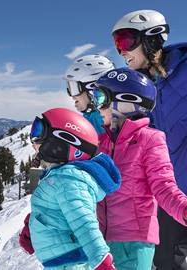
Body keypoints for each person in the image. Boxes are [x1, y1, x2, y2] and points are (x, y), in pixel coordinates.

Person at [111, 10, 187, 268]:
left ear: (152, 38)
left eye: (125, 41)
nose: (121, 51)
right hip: (168, 196)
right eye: (117, 44)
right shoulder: (142, 89)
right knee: (166, 262)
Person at [92, 67, 187, 269]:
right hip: (101, 242)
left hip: (134, 243)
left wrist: (184, 209)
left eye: (101, 99)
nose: (97, 107)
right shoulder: (101, 143)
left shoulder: (150, 140)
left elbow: (164, 186)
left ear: (125, 103)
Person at [19, 107, 121, 270]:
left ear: (65, 141)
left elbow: (84, 223)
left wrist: (102, 262)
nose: (34, 141)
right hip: (64, 262)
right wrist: (33, 226)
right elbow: (55, 209)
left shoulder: (69, 181)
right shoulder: (61, 177)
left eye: (39, 133)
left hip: (71, 264)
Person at [64, 55, 115, 135]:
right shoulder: (89, 119)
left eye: (75, 89)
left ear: (92, 89)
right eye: (70, 88)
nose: (73, 97)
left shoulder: (110, 122)